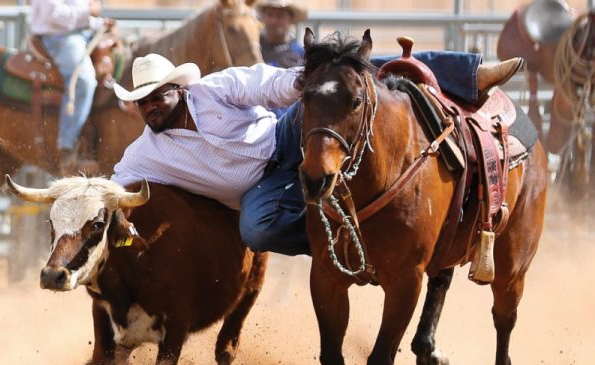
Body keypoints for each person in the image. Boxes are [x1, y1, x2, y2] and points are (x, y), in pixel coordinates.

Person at [111, 50, 522, 257]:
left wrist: (304, 81)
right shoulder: (145, 154)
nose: (150, 107)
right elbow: (111, 185)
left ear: (178, 90)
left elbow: (262, 85)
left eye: (157, 96)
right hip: (263, 187)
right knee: (256, 231)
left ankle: (466, 72)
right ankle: (338, 243)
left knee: (344, 71)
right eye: (143, 101)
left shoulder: (214, 89)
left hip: (287, 134)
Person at [30, 0, 114, 175]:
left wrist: (99, 22)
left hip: (82, 31)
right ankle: (68, 150)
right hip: (59, 35)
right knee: (84, 81)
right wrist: (89, 10)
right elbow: (54, 15)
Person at [257, 0, 307, 69]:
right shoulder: (253, 48)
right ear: (263, 17)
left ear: (291, 19)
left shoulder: (299, 54)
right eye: (269, 15)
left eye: (280, 16)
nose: (273, 21)